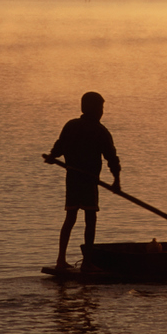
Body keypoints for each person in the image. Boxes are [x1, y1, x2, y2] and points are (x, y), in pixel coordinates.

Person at [42, 92, 121, 270]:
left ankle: (61, 260)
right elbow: (112, 158)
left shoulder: (71, 125)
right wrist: (116, 180)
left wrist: (52, 156)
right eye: (101, 108)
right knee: (90, 219)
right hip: (89, 181)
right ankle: (86, 262)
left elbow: (59, 147)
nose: (102, 112)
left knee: (70, 217)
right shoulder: (100, 131)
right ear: (93, 109)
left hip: (73, 180)